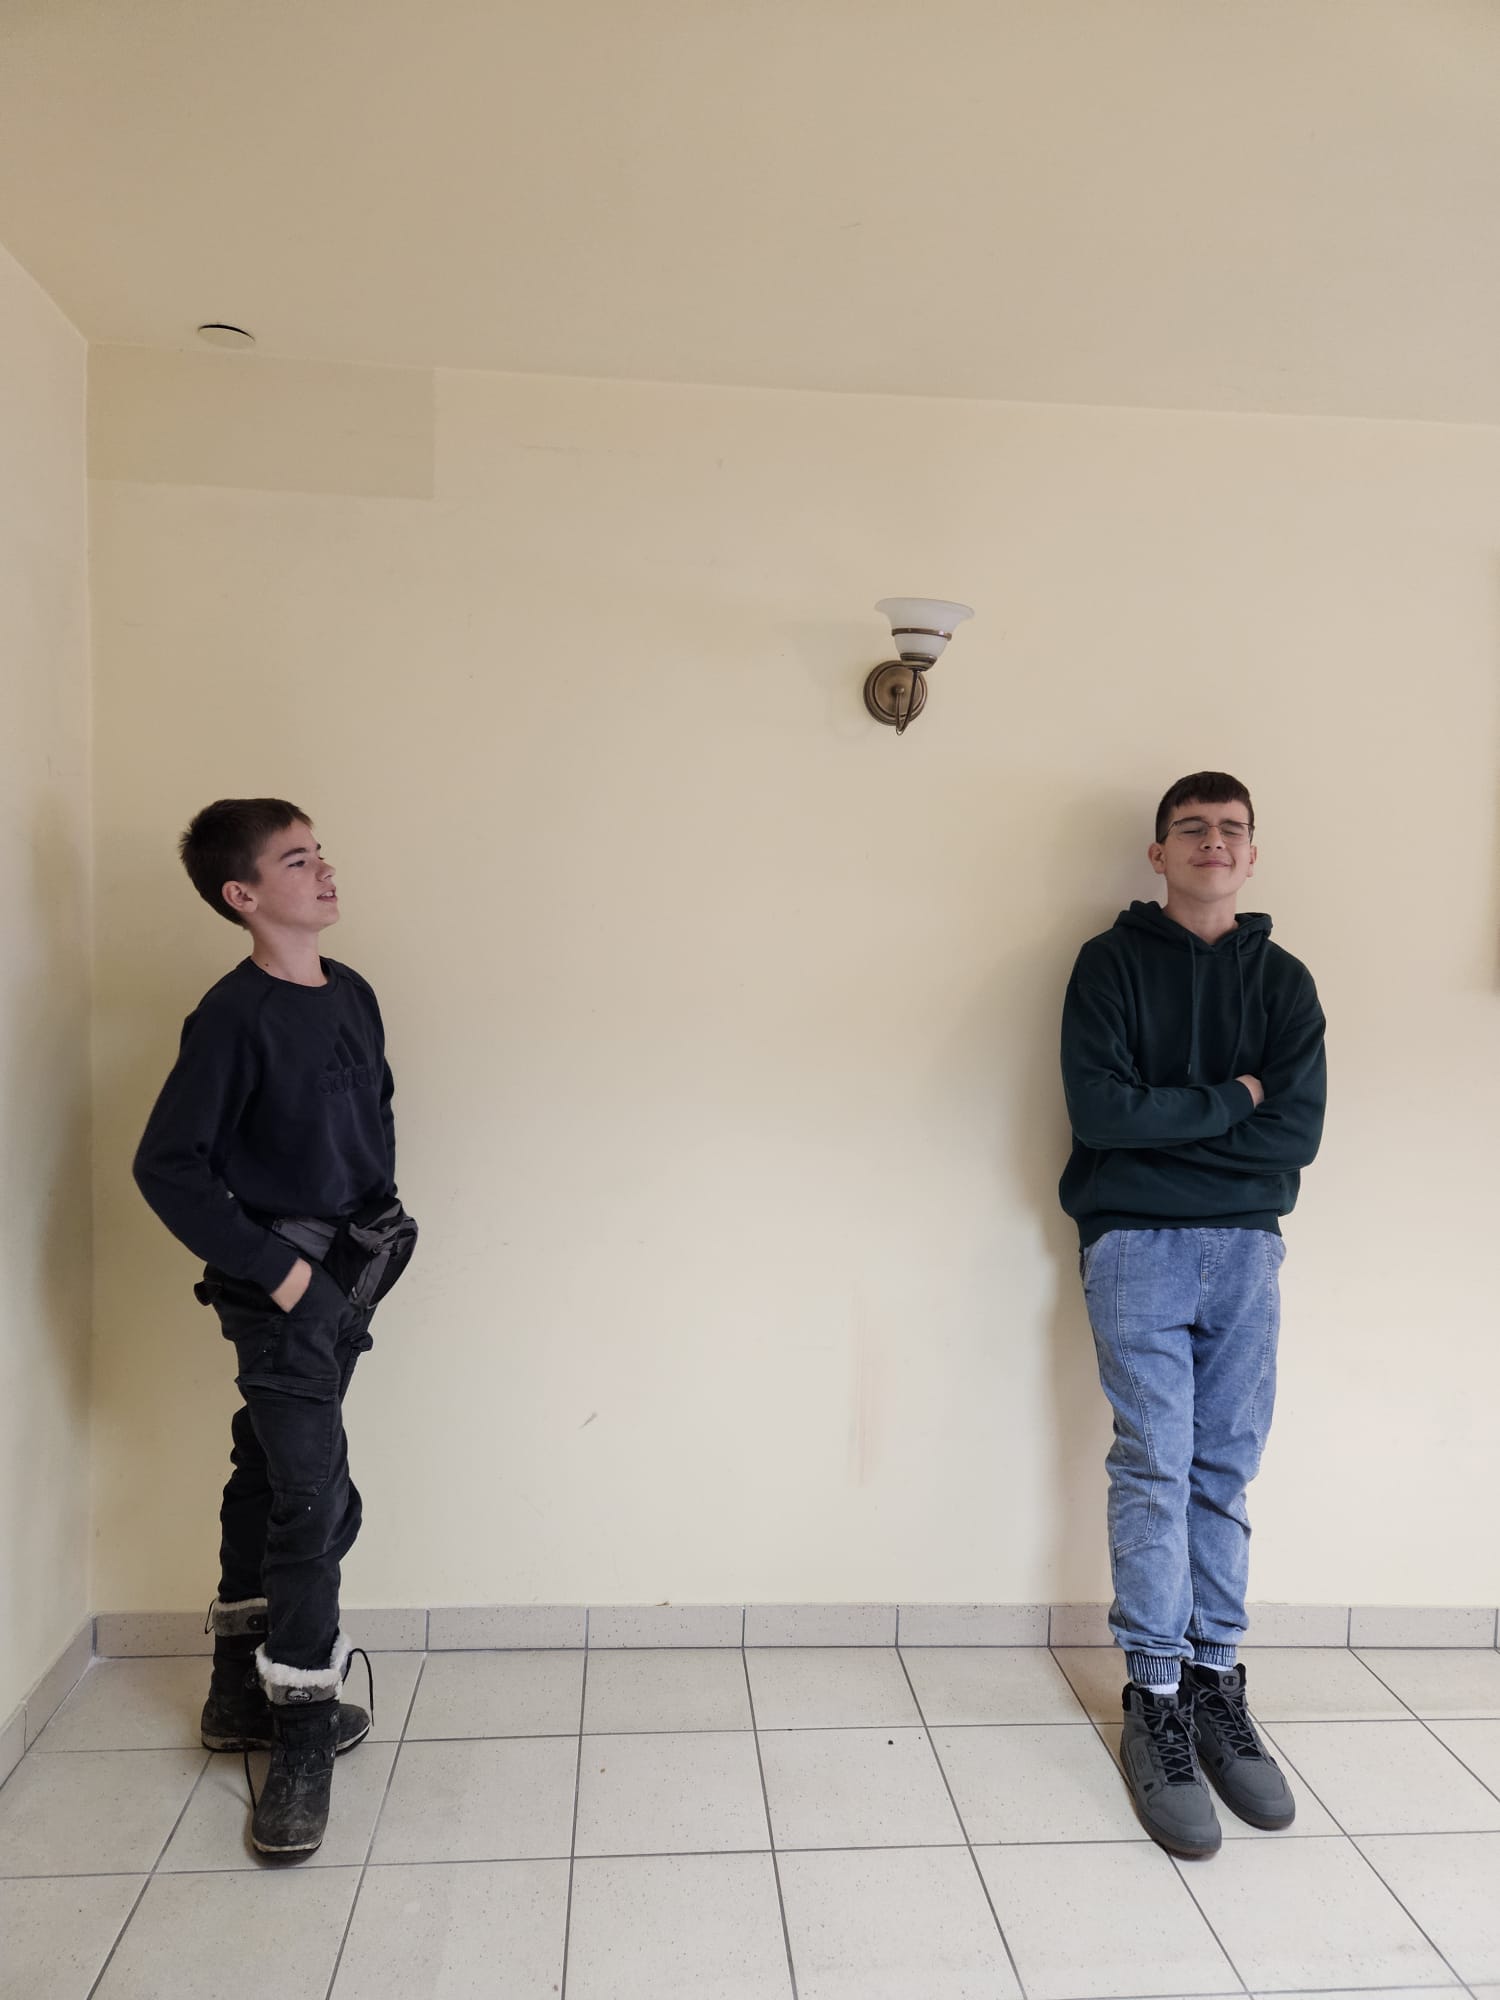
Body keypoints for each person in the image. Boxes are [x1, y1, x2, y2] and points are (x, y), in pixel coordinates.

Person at [134, 798, 416, 1857]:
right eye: (297, 860)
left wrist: (361, 1257)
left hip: (346, 1283)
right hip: (283, 1298)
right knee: (312, 1503)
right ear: (242, 894)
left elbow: (372, 1123)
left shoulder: (353, 993)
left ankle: (232, 1695)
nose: (325, 870)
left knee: (265, 1473)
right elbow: (168, 1166)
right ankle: (300, 1732)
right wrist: (285, 1274)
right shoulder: (231, 1015)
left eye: (320, 852)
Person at [1059, 771, 1326, 1857]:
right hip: (1134, 1246)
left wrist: (1174, 1129)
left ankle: (1216, 1682)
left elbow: (1296, 1135)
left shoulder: (1286, 982)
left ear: (1251, 854)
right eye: (1192, 828)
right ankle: (1155, 1699)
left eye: (1231, 829)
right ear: (1159, 853)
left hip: (1247, 1250)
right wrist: (1233, 1101)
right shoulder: (1109, 964)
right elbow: (1100, 1113)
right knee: (1155, 1463)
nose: (1213, 842)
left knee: (1224, 1468)